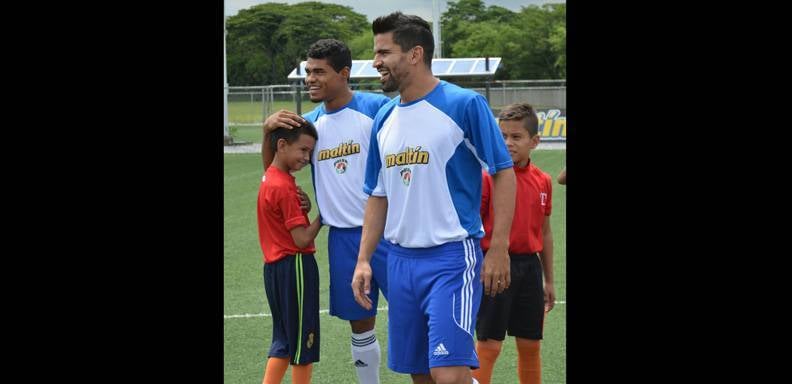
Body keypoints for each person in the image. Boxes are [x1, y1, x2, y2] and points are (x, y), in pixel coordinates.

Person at [351, 12, 517, 384]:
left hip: (452, 258)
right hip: (399, 262)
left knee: (448, 373)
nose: (375, 62)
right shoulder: (384, 118)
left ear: (414, 54)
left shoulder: (463, 104)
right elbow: (377, 195)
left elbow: (503, 171)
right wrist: (364, 259)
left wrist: (499, 248)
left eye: (384, 52)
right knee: (421, 375)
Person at [262, 39, 392, 384]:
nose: (310, 79)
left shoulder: (378, 108)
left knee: (414, 316)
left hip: (392, 232)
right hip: (343, 237)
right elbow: (274, 173)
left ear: (344, 74)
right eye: (308, 72)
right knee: (360, 321)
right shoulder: (308, 126)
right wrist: (266, 130)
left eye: (319, 72)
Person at [472, 103, 555, 384]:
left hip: (530, 269)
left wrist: (549, 281)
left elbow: (544, 233)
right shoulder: (487, 178)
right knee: (489, 345)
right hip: (494, 266)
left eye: (516, 137)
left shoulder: (543, 181)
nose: (508, 143)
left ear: (534, 142)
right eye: (503, 136)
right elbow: (473, 229)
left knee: (530, 344)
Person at [257, 121, 323, 384]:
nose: (307, 158)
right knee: (303, 342)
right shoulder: (283, 187)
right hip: (295, 265)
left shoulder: (270, 178)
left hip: (274, 268)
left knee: (284, 340)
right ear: (282, 145)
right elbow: (301, 239)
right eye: (303, 150)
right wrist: (324, 215)